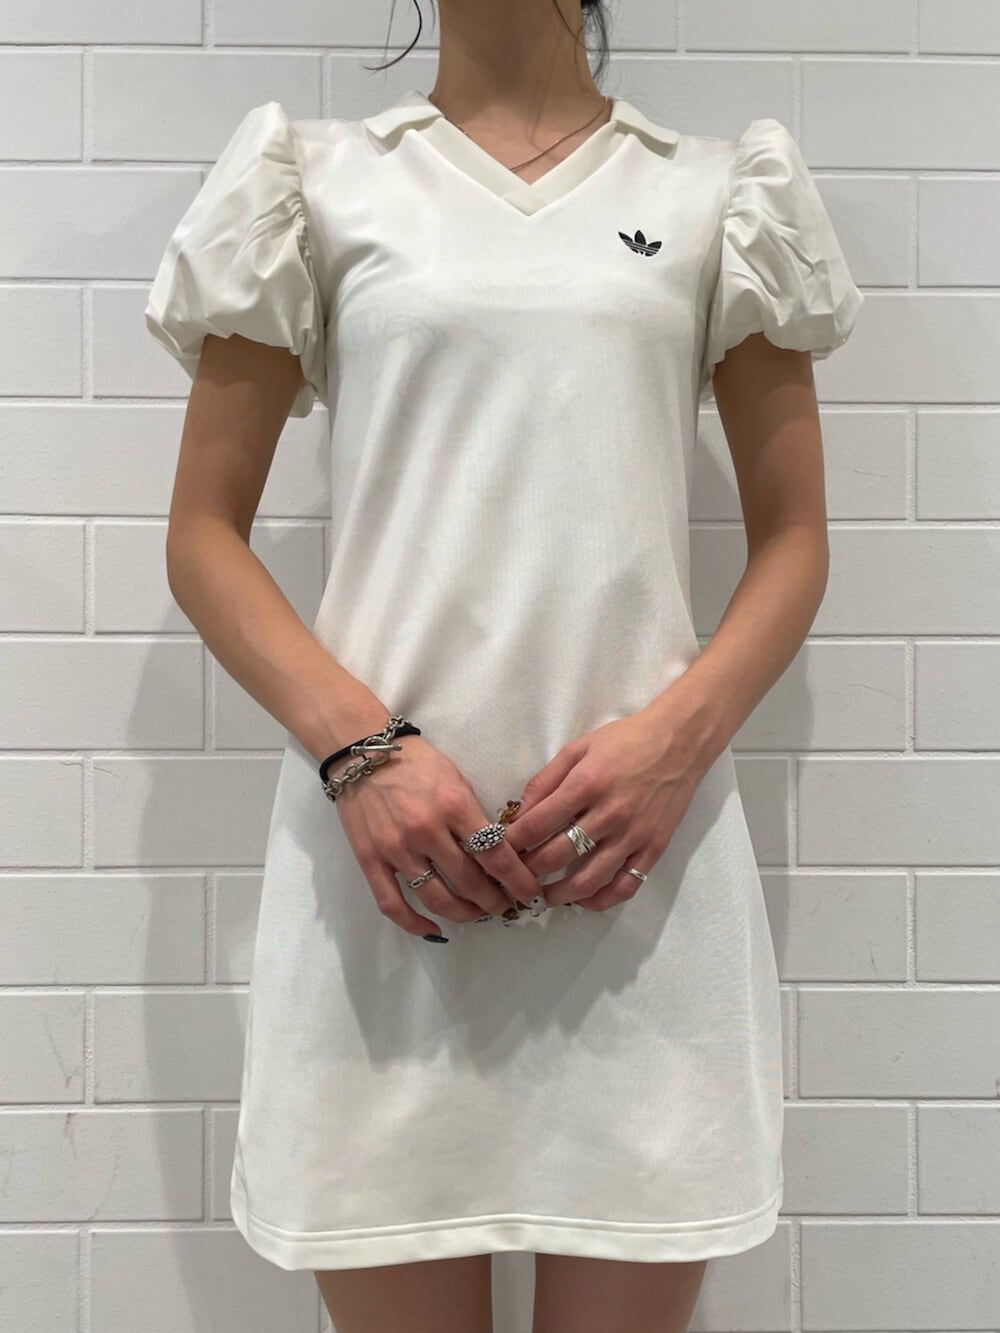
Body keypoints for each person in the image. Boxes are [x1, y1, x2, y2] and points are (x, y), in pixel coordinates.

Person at [143, 0, 864, 1327]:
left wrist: (677, 743)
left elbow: (797, 538)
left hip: (639, 892)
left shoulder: (714, 193)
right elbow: (201, 534)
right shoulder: (313, 181)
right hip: (386, 893)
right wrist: (362, 754)